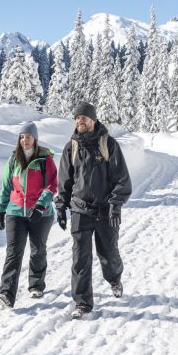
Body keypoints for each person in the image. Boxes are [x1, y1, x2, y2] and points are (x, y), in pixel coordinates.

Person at [55, 102, 132, 319]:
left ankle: (114, 278)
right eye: (77, 117)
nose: (80, 120)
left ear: (94, 120)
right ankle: (82, 302)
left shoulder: (108, 144)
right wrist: (61, 207)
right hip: (80, 210)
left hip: (105, 211)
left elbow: (122, 180)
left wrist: (116, 205)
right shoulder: (71, 147)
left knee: (108, 254)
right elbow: (64, 182)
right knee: (80, 258)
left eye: (85, 117)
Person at [0, 121, 58, 309]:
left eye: (28, 137)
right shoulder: (14, 159)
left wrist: (41, 205)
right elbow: (6, 187)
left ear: (35, 139)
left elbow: (52, 185)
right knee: (13, 253)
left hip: (40, 213)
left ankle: (36, 285)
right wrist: (0, 210)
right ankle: (6, 293)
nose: (25, 140)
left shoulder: (45, 160)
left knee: (38, 249)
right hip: (15, 211)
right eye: (22, 137)